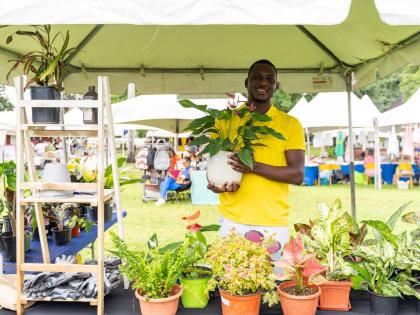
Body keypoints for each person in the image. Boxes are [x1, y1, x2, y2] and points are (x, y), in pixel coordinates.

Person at [207, 59, 305, 249]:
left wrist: (253, 166)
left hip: (273, 224)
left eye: (270, 79)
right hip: (232, 220)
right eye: (257, 77)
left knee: (274, 279)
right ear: (247, 83)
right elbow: (213, 168)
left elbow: (297, 174)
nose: (263, 83)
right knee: (230, 278)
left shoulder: (290, 124)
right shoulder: (225, 121)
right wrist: (217, 185)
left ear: (276, 86)